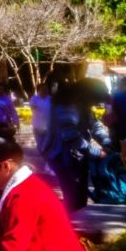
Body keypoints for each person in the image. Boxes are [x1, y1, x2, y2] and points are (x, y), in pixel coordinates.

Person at [43, 78, 111, 212]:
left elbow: (95, 125)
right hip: (62, 157)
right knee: (73, 198)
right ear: (87, 95)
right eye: (95, 100)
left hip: (77, 157)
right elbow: (71, 137)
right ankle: (73, 226)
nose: (96, 104)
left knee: (80, 195)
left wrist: (106, 142)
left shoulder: (82, 105)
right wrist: (98, 153)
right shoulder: (65, 107)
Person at [29, 82, 52, 153]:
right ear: (38, 90)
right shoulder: (34, 98)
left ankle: (47, 158)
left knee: (48, 143)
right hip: (37, 125)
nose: (45, 91)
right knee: (40, 143)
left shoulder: (50, 98)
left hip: (49, 126)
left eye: (46, 89)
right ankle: (41, 157)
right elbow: (33, 106)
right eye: (43, 89)